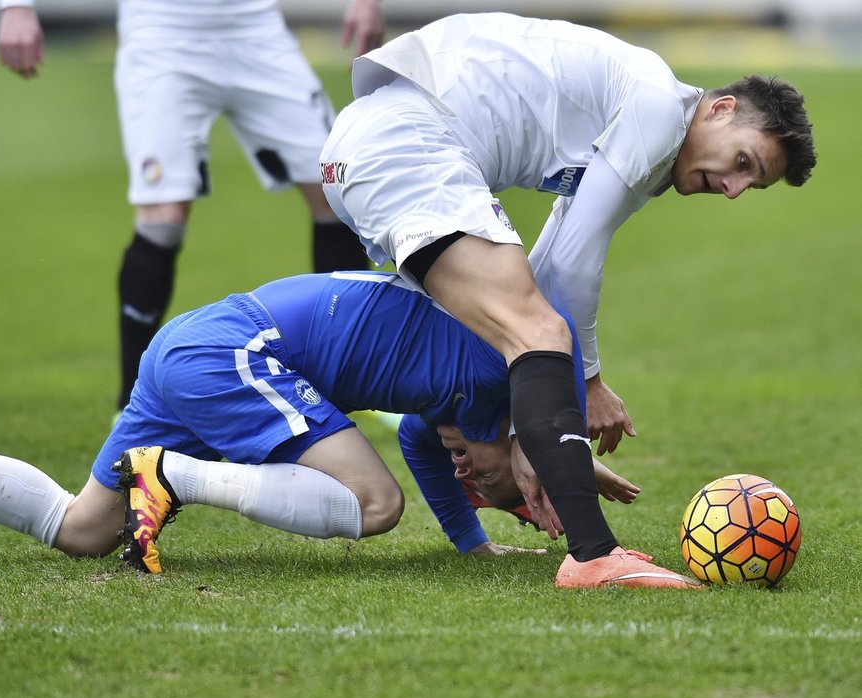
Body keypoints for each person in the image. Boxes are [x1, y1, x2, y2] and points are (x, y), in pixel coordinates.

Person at [319, 13, 815, 583]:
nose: (732, 188)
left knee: (523, 334)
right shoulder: (655, 111)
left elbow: (552, 264)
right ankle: (592, 554)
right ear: (722, 109)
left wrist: (543, 430)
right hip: (408, 148)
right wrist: (587, 383)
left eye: (750, 185)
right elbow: (575, 267)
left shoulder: (649, 133)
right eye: (744, 163)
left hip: (371, 148)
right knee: (540, 333)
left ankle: (490, 457)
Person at [0, 271, 692, 588]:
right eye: (509, 492)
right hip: (235, 356)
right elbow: (464, 455)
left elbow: (441, 445)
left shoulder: (488, 385)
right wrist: (542, 481)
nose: (482, 483)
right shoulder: (487, 378)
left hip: (191, 348)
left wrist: (478, 537)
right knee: (374, 503)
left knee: (81, 531)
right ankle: (177, 478)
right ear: (519, 447)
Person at [0, 0, 382, 410]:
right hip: (161, 30)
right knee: (162, 221)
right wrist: (15, 7)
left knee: (333, 190)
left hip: (255, 25)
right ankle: (131, 409)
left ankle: (351, 387)